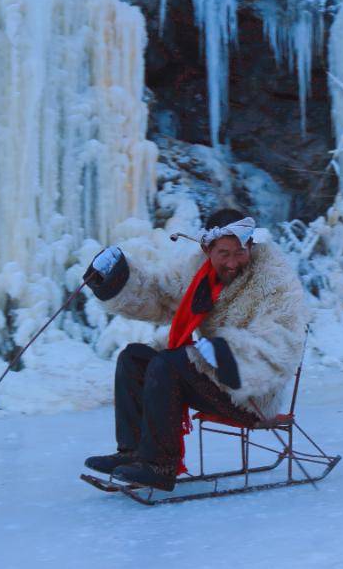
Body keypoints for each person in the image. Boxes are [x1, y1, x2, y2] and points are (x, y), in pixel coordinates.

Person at [81, 208, 308, 491]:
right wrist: (116, 280)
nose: (233, 262)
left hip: (251, 392)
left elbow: (283, 340)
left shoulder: (273, 278)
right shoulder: (196, 271)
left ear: (251, 245)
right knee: (133, 358)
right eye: (223, 253)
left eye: (240, 251)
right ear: (205, 249)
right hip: (212, 376)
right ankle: (134, 453)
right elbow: (159, 297)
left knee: (168, 364)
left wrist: (230, 354)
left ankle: (159, 466)